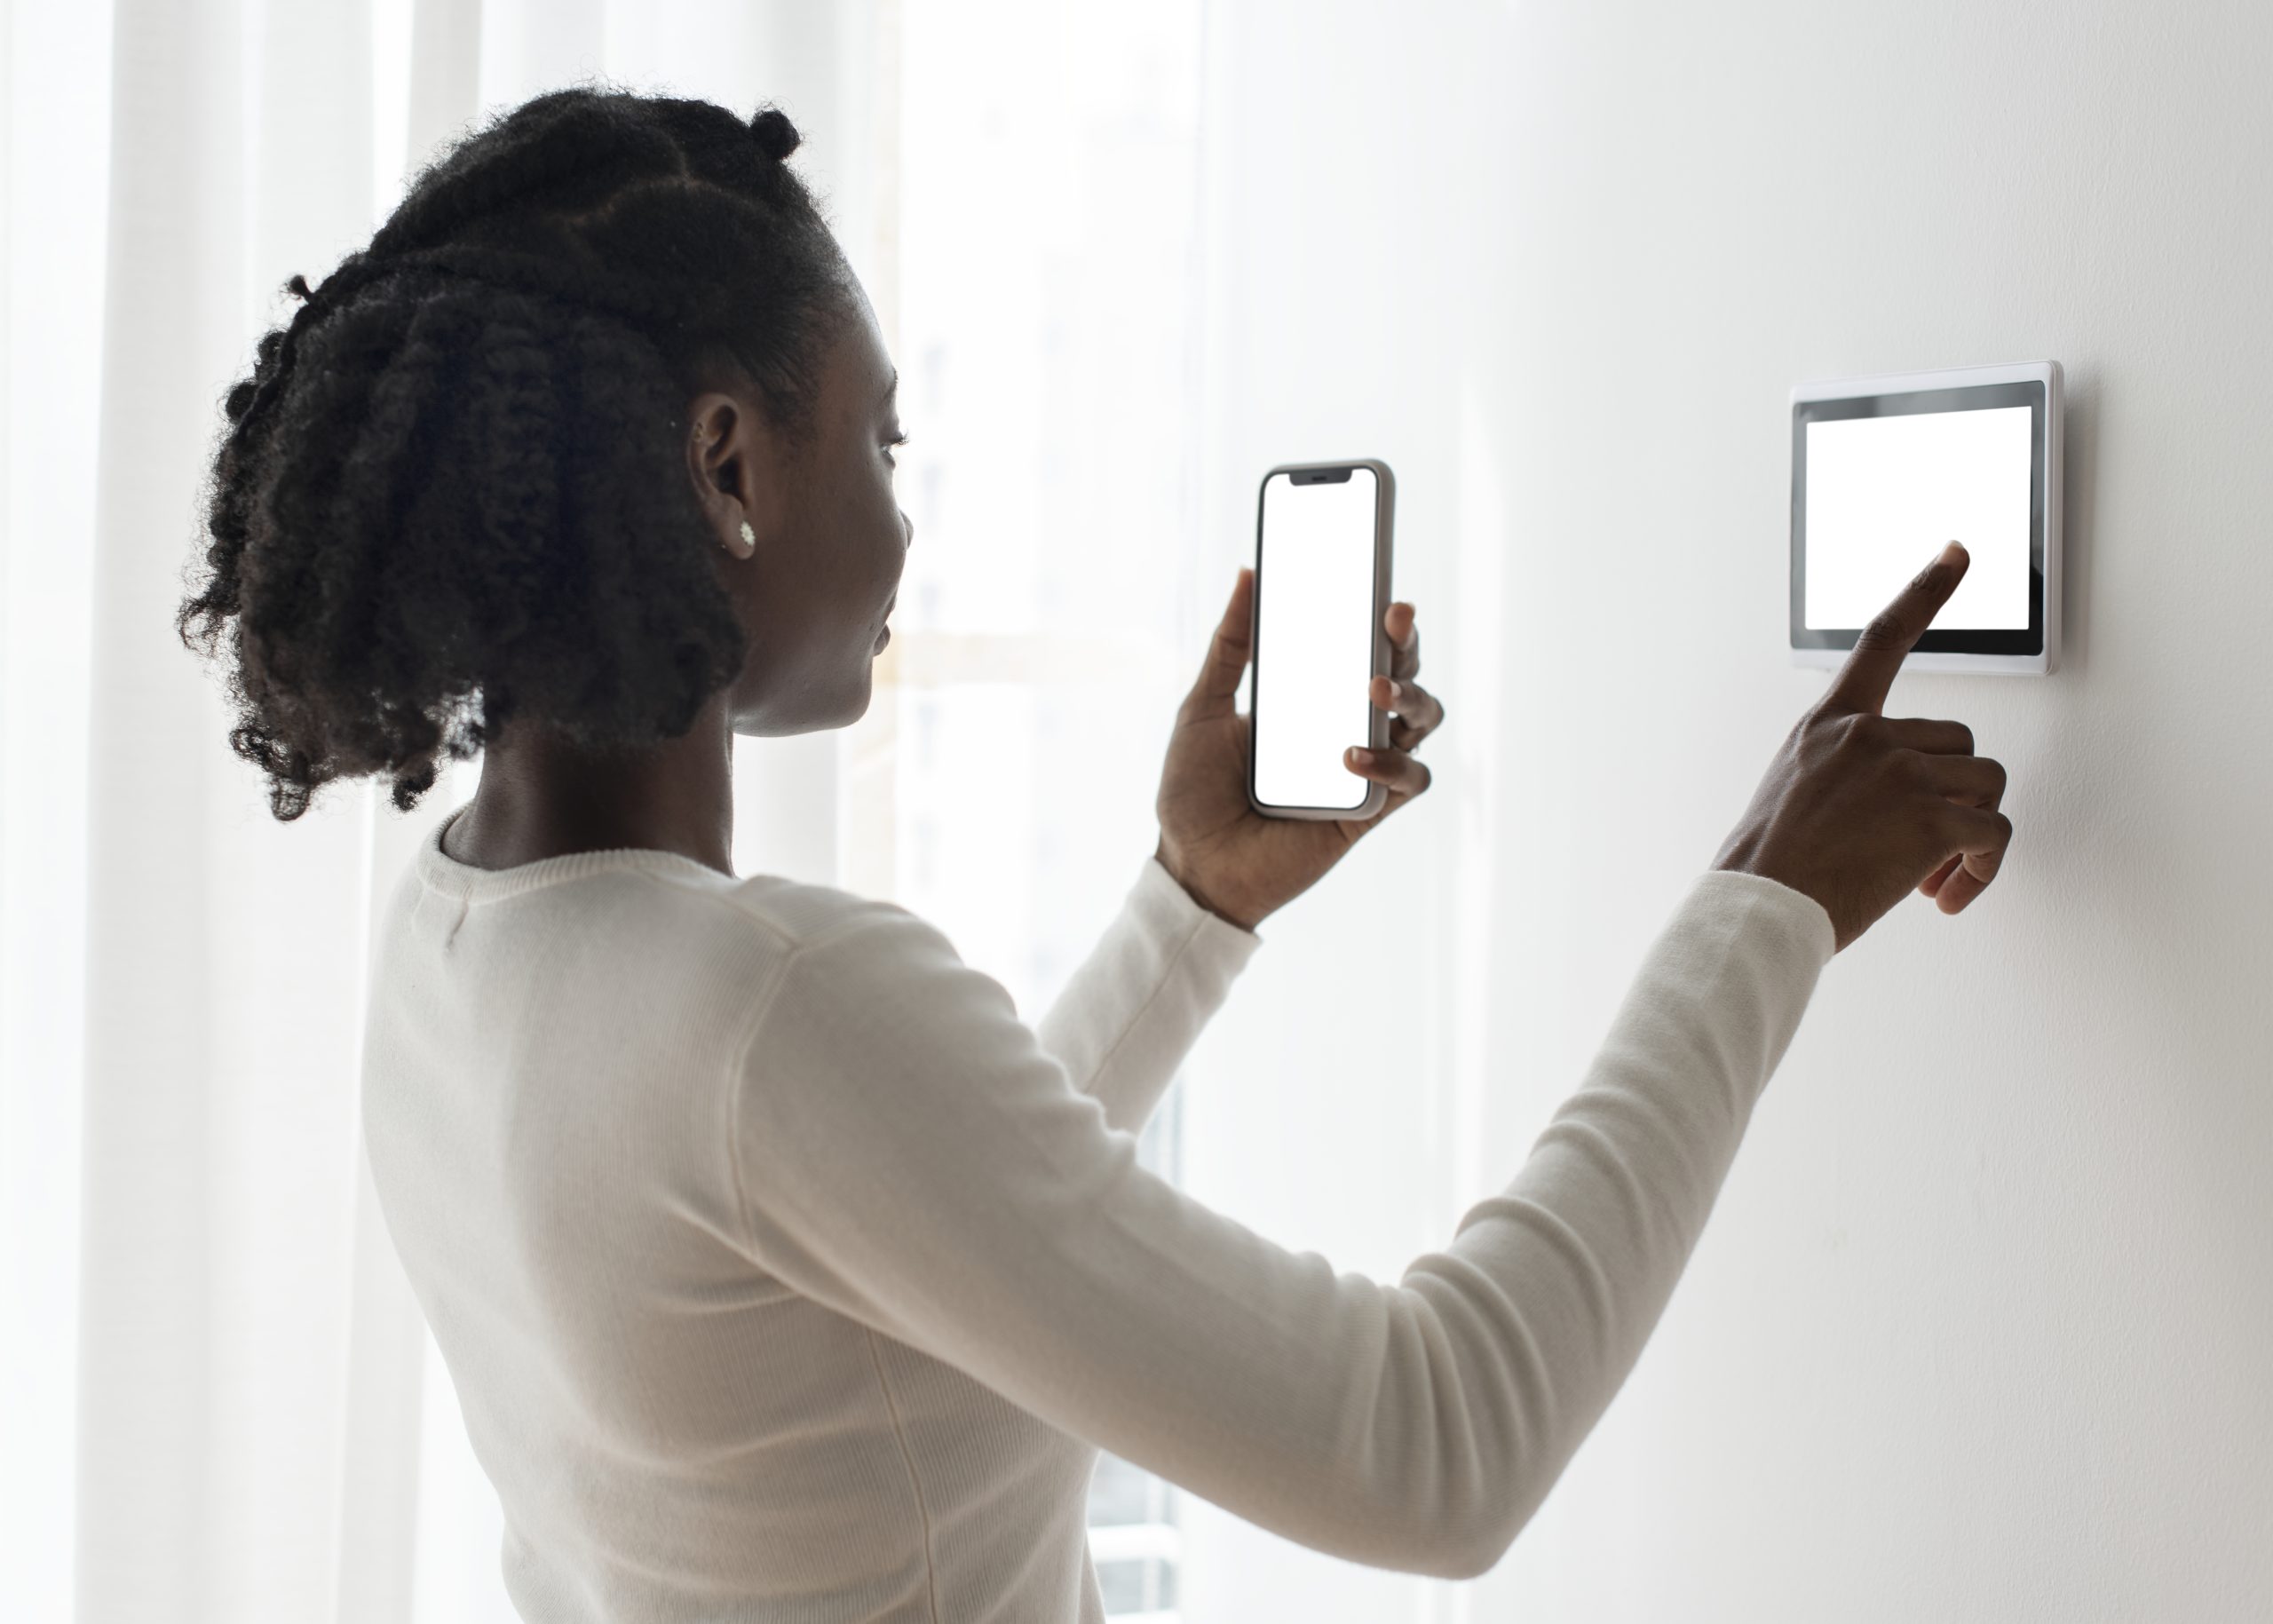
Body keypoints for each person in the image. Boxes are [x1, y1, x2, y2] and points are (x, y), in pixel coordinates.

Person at [179, 88, 2012, 1621]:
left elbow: (885, 1250)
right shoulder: (772, 997)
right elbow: (1436, 1450)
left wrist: (1190, 904)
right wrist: (1762, 901)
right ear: (726, 461)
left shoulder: (450, 943)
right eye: (880, 439)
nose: (901, 523)